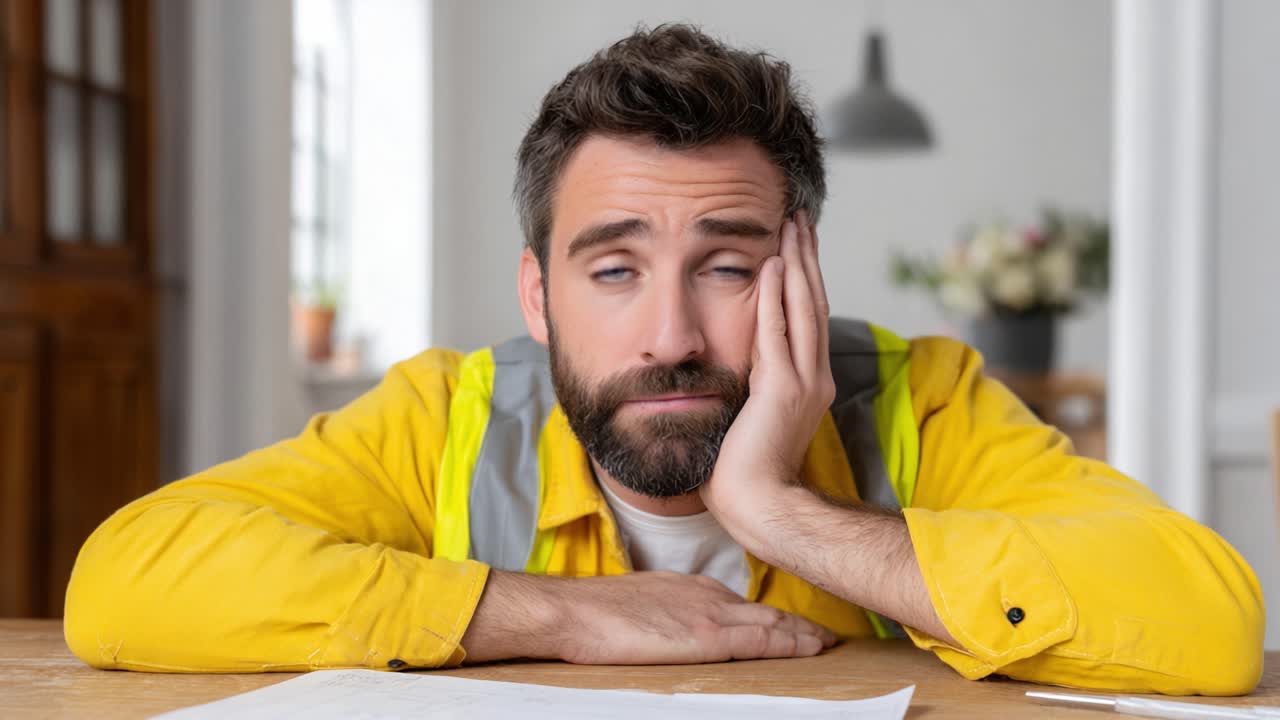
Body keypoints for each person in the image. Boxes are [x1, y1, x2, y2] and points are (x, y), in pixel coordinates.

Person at [65, 24, 1263, 694]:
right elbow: (124, 583)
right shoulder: (448, 415)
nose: (672, 334)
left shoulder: (920, 401)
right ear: (536, 292)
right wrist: (561, 618)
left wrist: (779, 512)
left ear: (803, 271)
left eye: (729, 266)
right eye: (613, 268)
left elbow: (1202, 625)